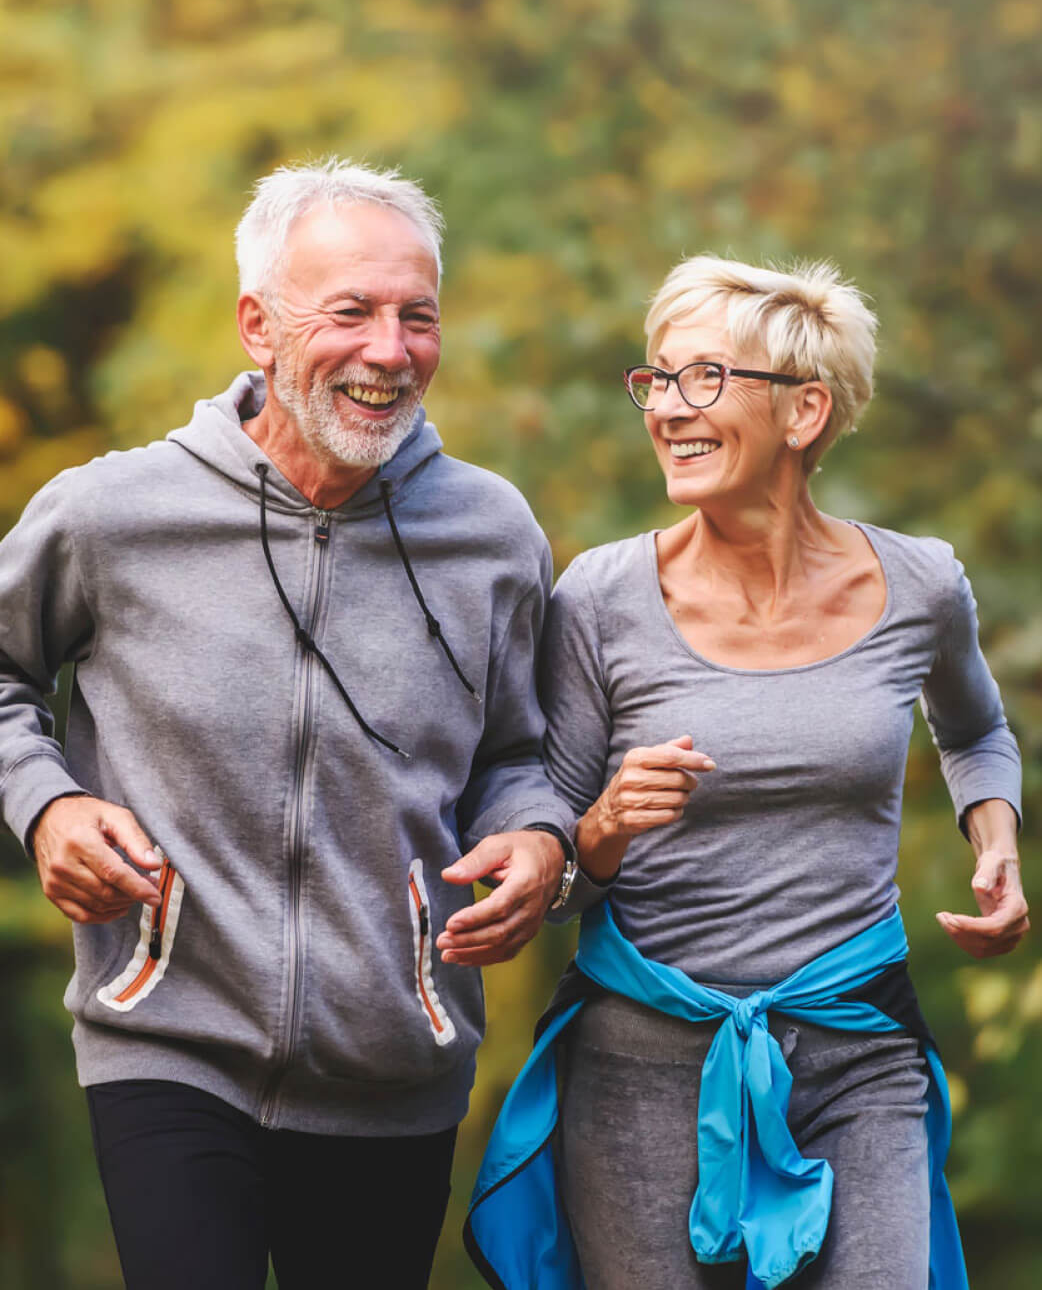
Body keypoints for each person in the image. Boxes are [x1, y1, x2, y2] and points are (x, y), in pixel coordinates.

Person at [0, 158, 582, 1290]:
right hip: (163, 1039)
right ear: (257, 326)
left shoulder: (492, 533)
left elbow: (522, 753)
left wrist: (540, 840)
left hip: (393, 1064)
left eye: (419, 317)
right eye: (351, 312)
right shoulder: (113, 515)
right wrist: (47, 804)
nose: (389, 349)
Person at [465, 256, 1028, 1289]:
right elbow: (555, 855)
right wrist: (604, 828)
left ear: (804, 410)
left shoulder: (919, 584)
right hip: (640, 1065)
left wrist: (994, 840)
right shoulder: (599, 597)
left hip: (858, 1052)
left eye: (706, 379)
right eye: (657, 380)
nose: (669, 409)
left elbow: (976, 732)